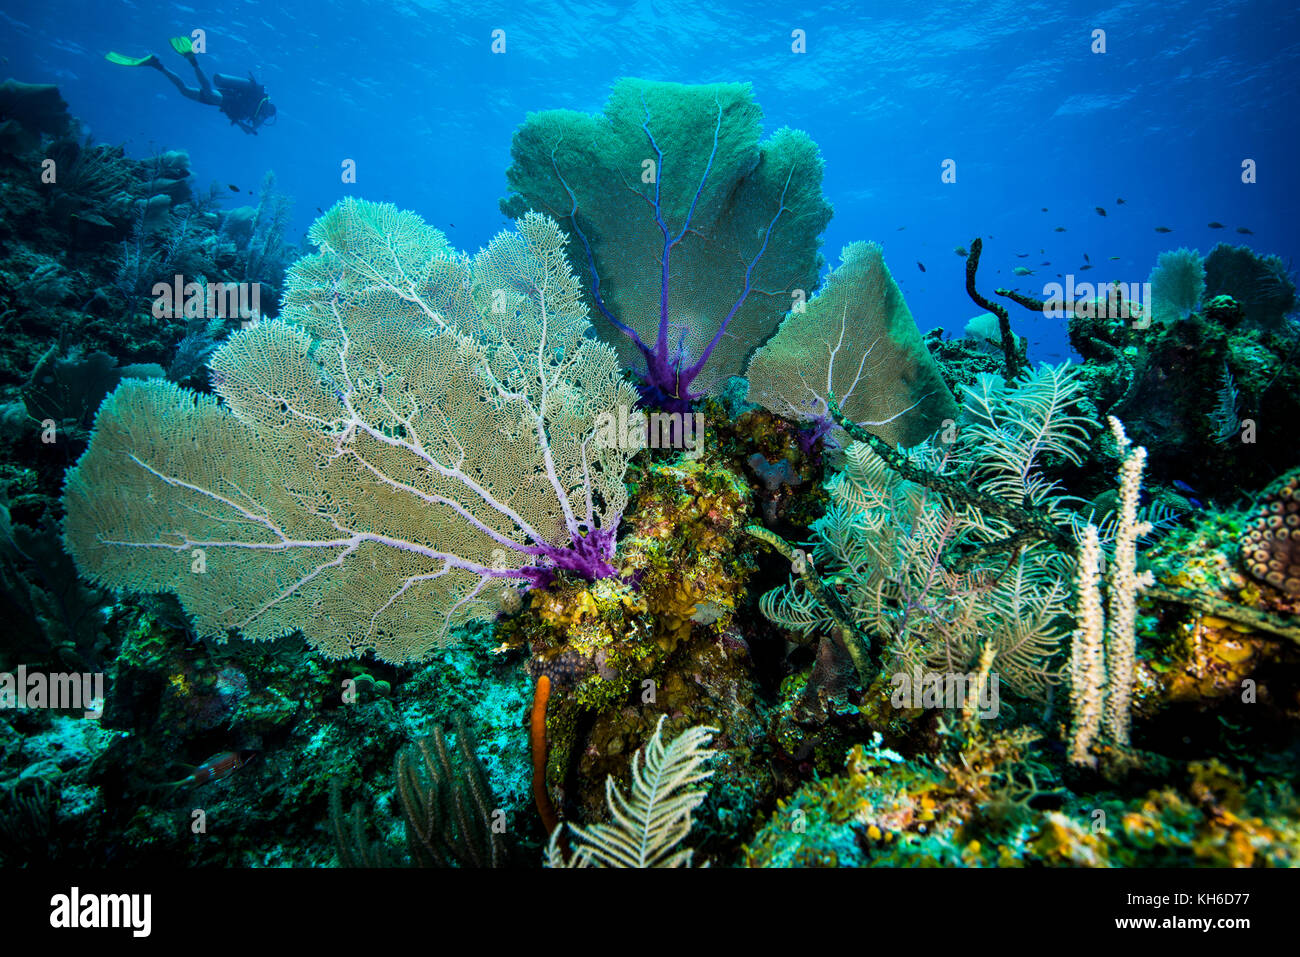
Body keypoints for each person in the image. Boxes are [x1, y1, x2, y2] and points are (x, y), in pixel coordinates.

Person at [107, 36, 276, 135]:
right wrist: (248, 126)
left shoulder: (256, 110)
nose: (265, 115)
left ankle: (156, 65)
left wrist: (241, 123)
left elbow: (247, 128)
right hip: (227, 99)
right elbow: (251, 128)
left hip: (224, 101)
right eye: (267, 113)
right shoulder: (258, 110)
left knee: (184, 91)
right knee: (209, 92)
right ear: (268, 111)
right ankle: (192, 60)